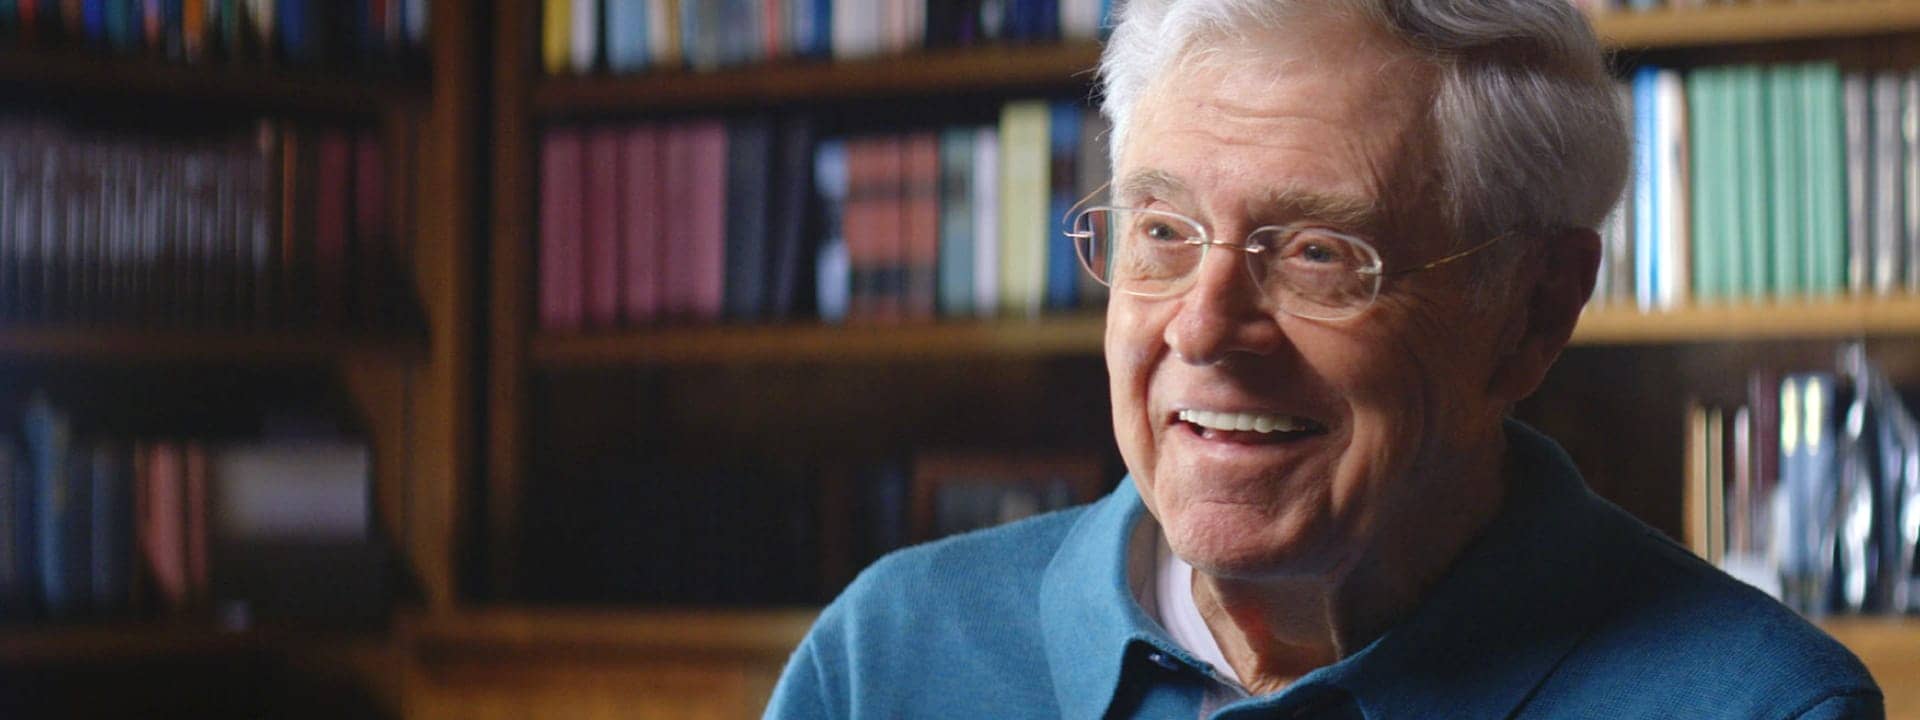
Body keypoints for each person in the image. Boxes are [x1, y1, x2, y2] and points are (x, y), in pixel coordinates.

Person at [766, 0, 1885, 717]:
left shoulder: (1761, 707)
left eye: (1315, 253)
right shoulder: (890, 657)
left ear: (1534, 313)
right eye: (1161, 231)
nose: (1203, 327)